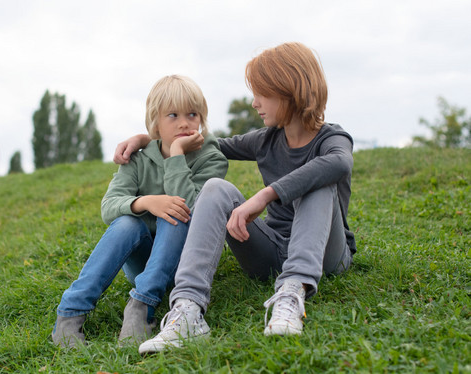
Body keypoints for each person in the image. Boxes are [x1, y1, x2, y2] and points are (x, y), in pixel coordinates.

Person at [113, 42, 356, 354]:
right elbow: (201, 143)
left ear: (289, 90)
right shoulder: (265, 140)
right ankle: (187, 310)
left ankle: (292, 291)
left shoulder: (332, 140)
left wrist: (265, 196)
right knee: (215, 187)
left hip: (325, 256)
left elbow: (338, 164)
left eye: (261, 94)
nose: (254, 103)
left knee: (318, 179)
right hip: (271, 254)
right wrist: (146, 138)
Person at [52, 75, 228, 348]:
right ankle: (70, 314)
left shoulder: (210, 157)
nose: (184, 122)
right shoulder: (138, 157)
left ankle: (140, 308)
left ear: (202, 118)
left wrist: (178, 154)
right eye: (173, 115)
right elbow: (108, 207)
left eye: (192, 114)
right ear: (155, 122)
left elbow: (195, 210)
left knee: (176, 211)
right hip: (143, 262)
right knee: (127, 223)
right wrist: (145, 202)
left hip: (186, 264)